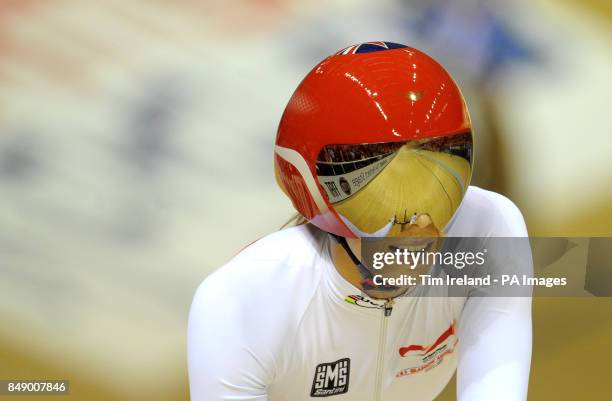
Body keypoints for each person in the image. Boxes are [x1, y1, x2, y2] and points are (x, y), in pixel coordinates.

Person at [188, 41, 532, 401]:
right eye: (379, 200)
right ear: (316, 193)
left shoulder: (487, 230)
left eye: (442, 185)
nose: (421, 226)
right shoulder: (242, 302)